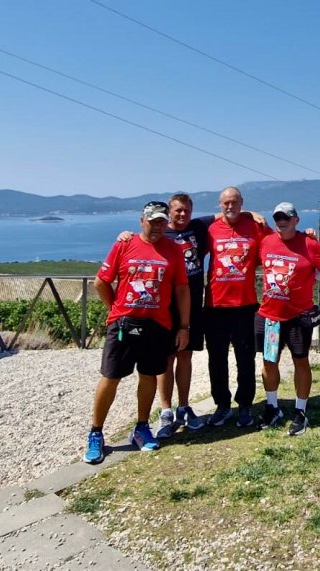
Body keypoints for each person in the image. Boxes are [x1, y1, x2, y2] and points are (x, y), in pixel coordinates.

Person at [83, 201, 190, 464]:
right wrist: (116, 310)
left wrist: (184, 326)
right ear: (142, 220)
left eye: (162, 222)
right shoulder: (124, 244)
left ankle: (142, 427)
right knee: (111, 378)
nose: (158, 226)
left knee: (149, 376)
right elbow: (101, 282)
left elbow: (181, 290)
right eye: (153, 221)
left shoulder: (173, 250)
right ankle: (96, 433)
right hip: (123, 325)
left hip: (158, 325)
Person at [255, 202, 320, 436]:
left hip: (298, 316)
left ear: (296, 220)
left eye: (286, 217)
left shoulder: (309, 243)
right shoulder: (267, 241)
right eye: (278, 217)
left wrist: (311, 280)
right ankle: (272, 406)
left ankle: (300, 411)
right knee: (269, 362)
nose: (282, 221)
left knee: (301, 361)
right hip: (270, 316)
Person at [204, 186, 272, 428]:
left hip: (245, 305)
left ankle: (245, 405)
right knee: (217, 359)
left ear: (242, 202)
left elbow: (278, 243)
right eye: (226, 203)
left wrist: (306, 237)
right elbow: (181, 236)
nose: (230, 206)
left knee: (245, 358)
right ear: (219, 204)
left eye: (234, 202)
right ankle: (222, 405)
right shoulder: (210, 229)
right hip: (215, 306)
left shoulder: (255, 226)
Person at [153, 193, 212, 438]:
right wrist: (124, 235)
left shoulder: (198, 226)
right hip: (165, 307)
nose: (182, 215)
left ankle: (184, 406)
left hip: (193, 305)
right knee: (166, 359)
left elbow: (228, 213)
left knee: (185, 356)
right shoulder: (160, 233)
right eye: (177, 210)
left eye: (186, 210)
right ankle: (165, 410)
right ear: (169, 211)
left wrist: (254, 214)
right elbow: (139, 241)